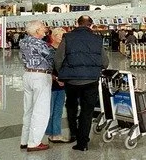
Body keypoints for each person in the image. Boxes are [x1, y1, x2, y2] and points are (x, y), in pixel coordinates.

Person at [55, 16, 109, 152]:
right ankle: (83, 142)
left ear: (76, 24)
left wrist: (61, 73)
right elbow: (105, 62)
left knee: (71, 106)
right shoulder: (97, 39)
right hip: (91, 80)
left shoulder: (67, 37)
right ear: (91, 25)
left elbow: (58, 58)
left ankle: (74, 133)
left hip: (71, 80)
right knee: (87, 111)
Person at [19, 20, 54, 152]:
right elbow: (52, 57)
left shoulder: (23, 41)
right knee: (41, 110)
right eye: (43, 28)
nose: (45, 29)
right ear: (37, 30)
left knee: (28, 109)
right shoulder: (40, 44)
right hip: (40, 76)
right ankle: (34, 142)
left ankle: (25, 139)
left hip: (28, 74)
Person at [45, 28, 69, 143]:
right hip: (52, 83)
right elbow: (46, 68)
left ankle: (55, 133)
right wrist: (56, 78)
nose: (61, 37)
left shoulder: (64, 50)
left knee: (58, 109)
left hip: (62, 83)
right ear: (53, 37)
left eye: (63, 35)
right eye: (59, 35)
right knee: (51, 109)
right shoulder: (49, 50)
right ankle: (53, 133)